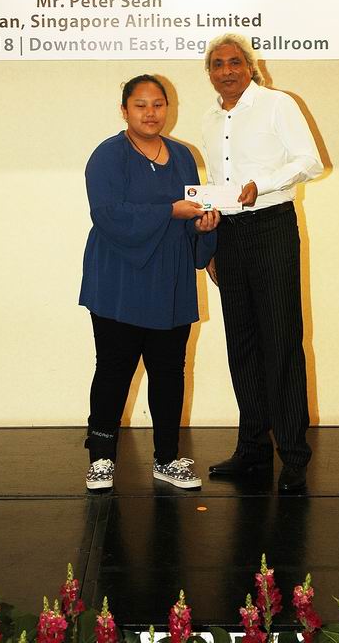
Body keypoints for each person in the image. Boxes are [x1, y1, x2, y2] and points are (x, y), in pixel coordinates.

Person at [79, 74, 220, 492]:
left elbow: (192, 213)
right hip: (119, 280)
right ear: (124, 110)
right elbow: (107, 214)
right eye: (140, 105)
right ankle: (101, 459)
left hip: (169, 280)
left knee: (169, 372)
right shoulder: (107, 155)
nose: (150, 112)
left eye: (158, 104)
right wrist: (169, 212)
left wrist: (203, 226)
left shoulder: (182, 156)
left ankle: (167, 458)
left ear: (167, 109)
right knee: (113, 370)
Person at [202, 34, 323, 492]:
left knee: (282, 342)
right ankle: (252, 450)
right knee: (242, 344)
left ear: (250, 67)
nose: (227, 71)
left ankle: (293, 455)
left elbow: (310, 162)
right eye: (218, 64)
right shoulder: (210, 119)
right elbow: (217, 185)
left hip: (271, 227)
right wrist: (212, 244)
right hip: (229, 235)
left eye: (235, 62)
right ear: (210, 73)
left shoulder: (278, 105)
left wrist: (263, 184)